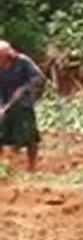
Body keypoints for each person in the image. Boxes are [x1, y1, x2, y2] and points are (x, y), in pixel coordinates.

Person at [0, 41, 44, 171]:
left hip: (23, 103)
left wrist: (23, 88)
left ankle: (32, 166)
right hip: (5, 102)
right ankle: (2, 166)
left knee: (29, 135)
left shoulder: (23, 61)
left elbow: (38, 77)